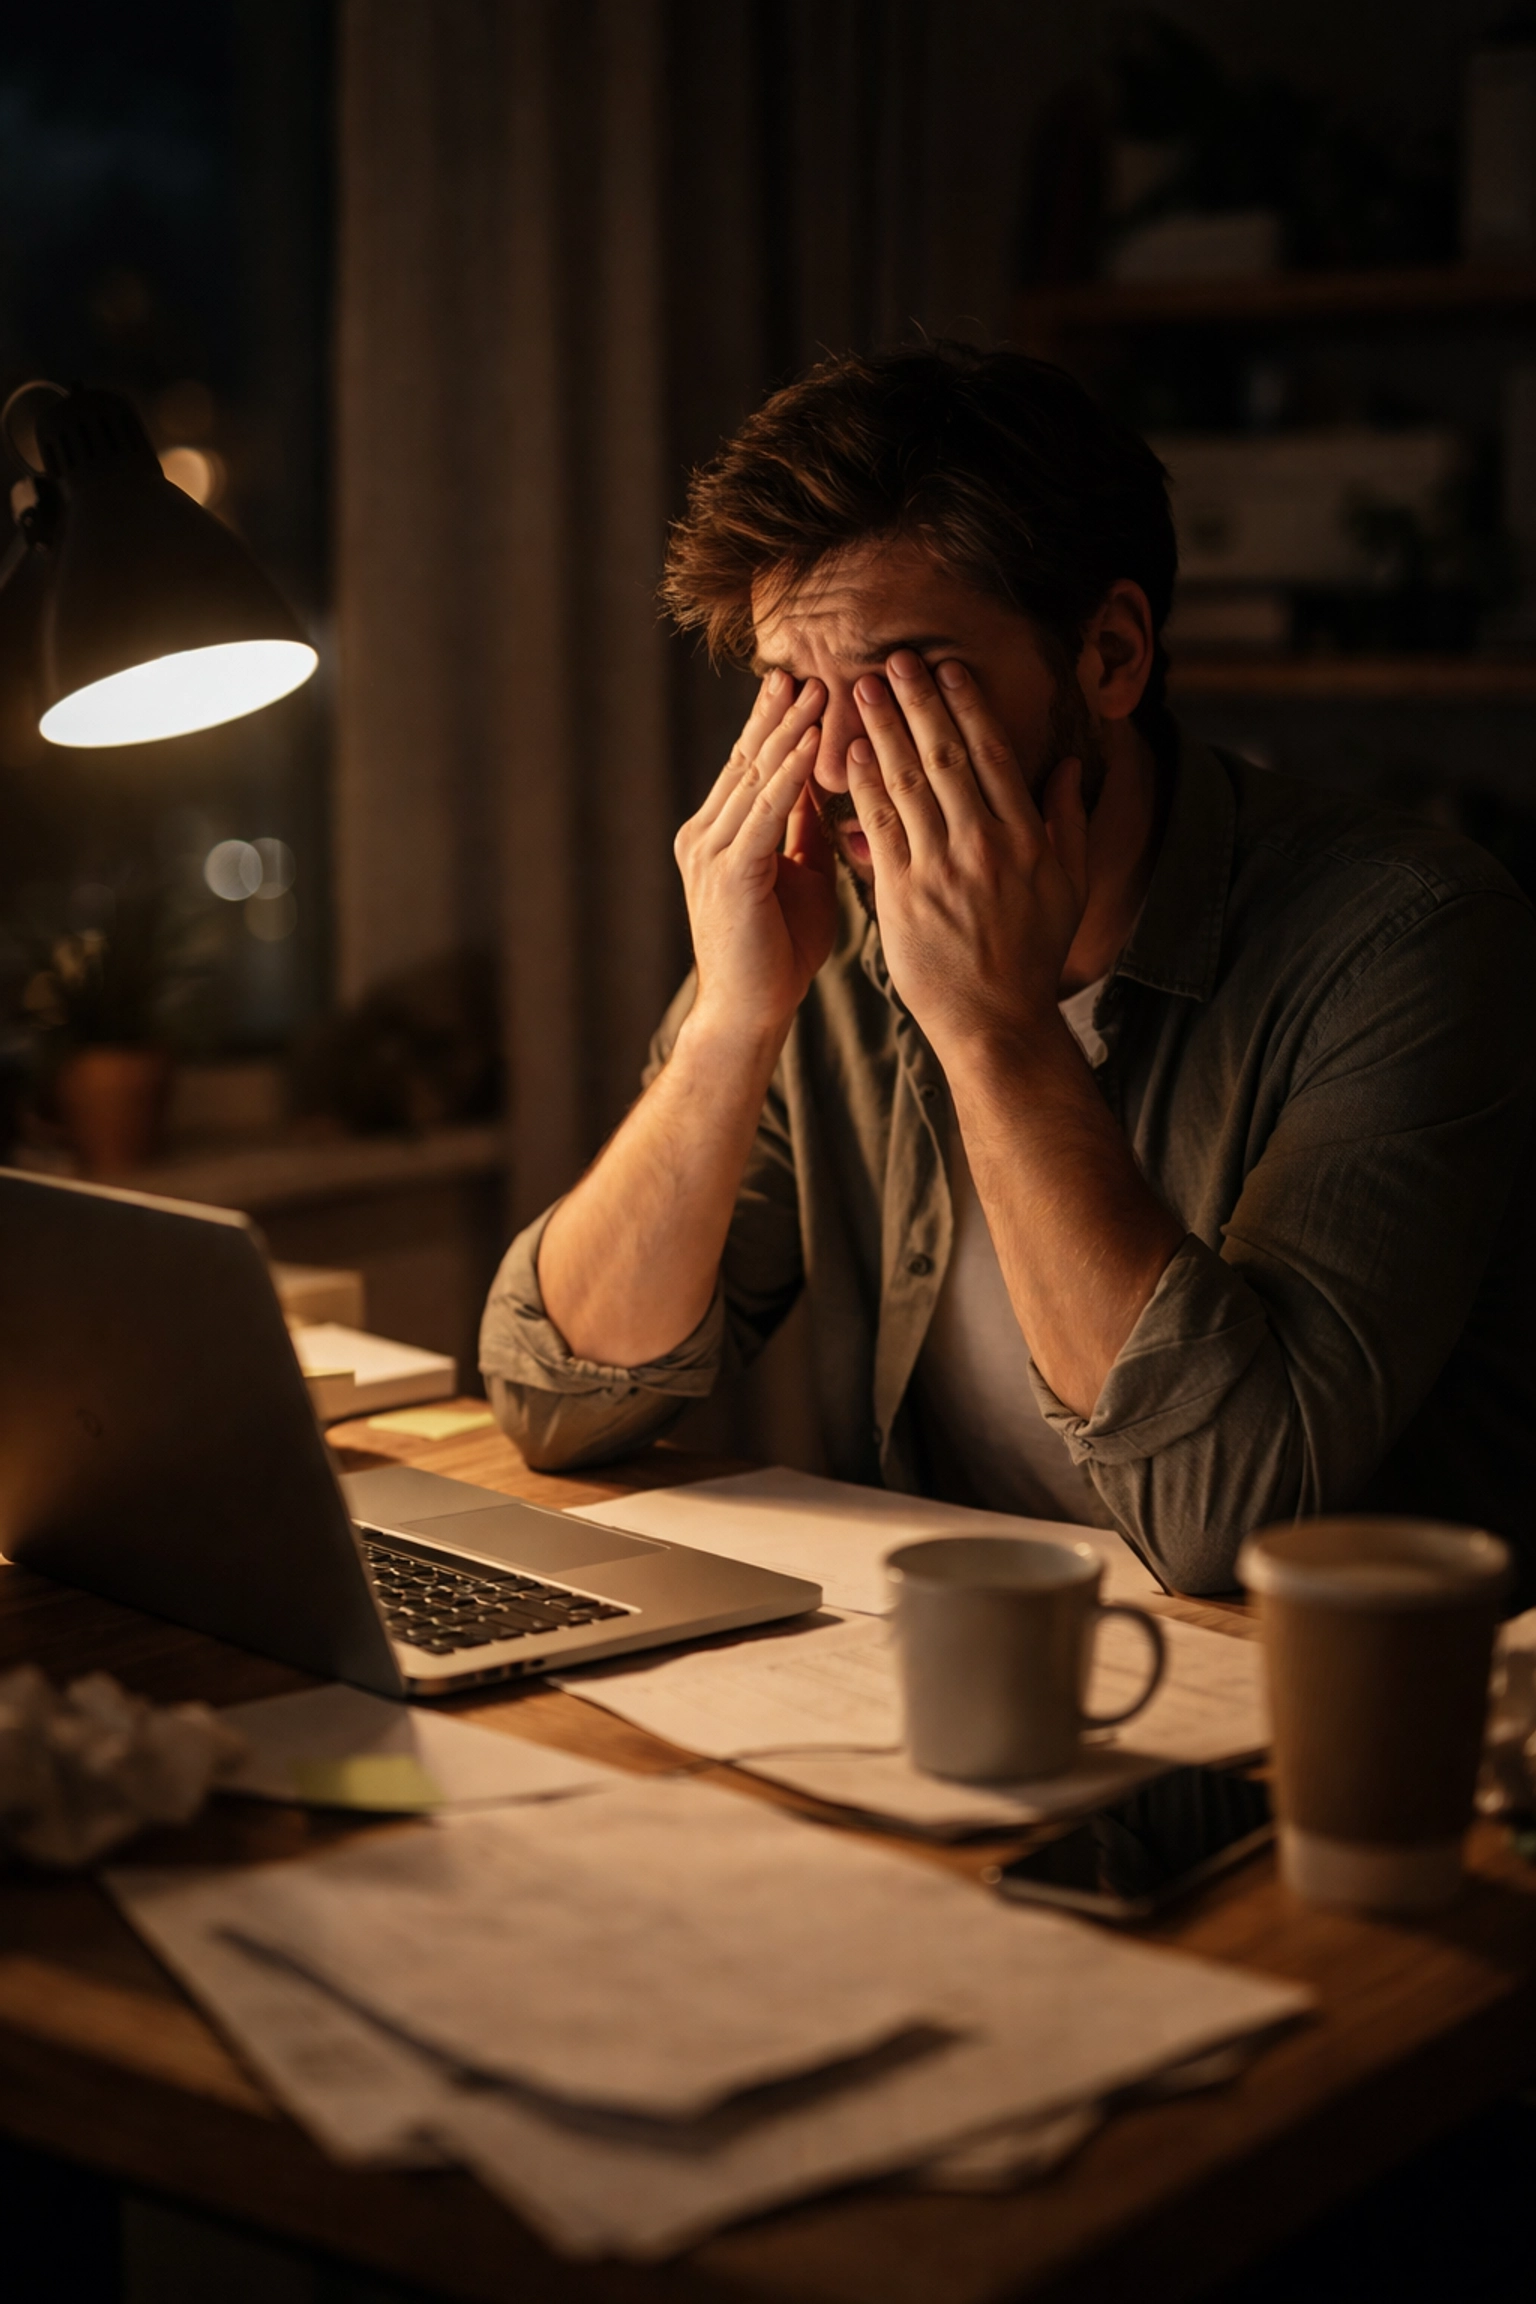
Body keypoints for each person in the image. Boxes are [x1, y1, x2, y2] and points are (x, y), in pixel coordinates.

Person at [480, 343, 1536, 1599]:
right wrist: (731, 1018)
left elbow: (1226, 1517)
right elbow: (553, 1399)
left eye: (900, 685)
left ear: (1110, 655)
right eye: (790, 695)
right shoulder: (824, 935)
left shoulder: (1405, 936)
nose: (825, 772)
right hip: (949, 1686)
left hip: (1302, 1736)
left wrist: (993, 1026)